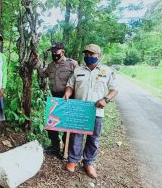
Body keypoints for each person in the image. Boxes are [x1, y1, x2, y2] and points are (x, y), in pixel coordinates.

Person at [64, 44, 118, 178]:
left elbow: (114, 90)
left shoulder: (106, 71)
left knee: (94, 139)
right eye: (86, 54)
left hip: (96, 111)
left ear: (98, 56)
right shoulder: (78, 70)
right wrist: (67, 93)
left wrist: (105, 99)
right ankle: (73, 160)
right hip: (80, 110)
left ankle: (89, 163)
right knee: (76, 136)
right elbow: (70, 85)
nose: (88, 56)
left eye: (92, 54)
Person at [34, 42, 78, 158]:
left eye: (56, 51)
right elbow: (43, 74)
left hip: (68, 98)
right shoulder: (51, 65)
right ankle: (55, 147)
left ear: (62, 52)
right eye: (52, 52)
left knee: (66, 124)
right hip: (54, 98)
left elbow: (78, 80)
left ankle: (66, 148)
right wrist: (38, 63)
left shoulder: (72, 64)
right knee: (52, 124)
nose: (54, 54)